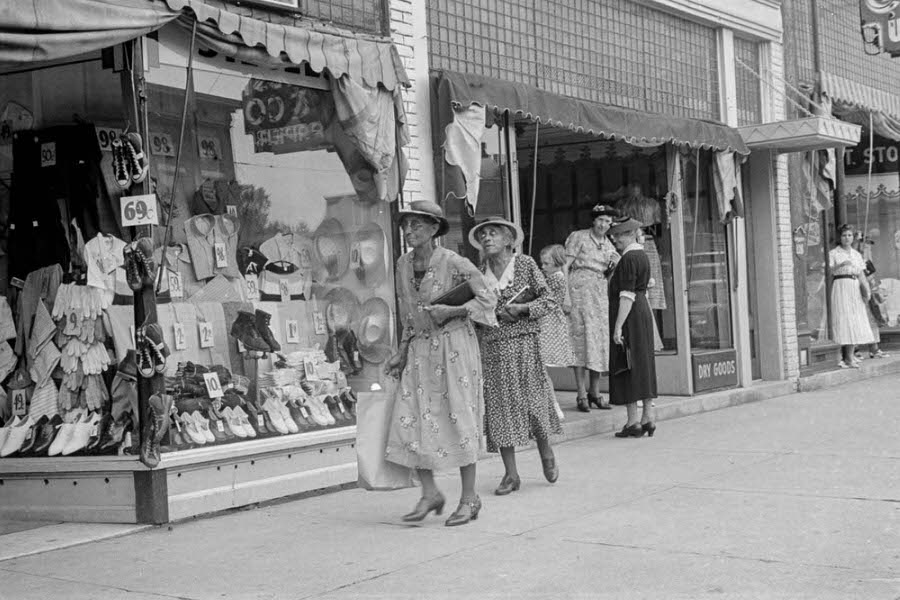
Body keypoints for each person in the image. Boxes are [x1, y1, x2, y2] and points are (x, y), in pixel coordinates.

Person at [384, 200, 497, 527]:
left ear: (434, 229)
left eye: (416, 226)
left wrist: (453, 311)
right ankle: (430, 493)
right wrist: (401, 351)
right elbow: (408, 312)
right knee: (409, 419)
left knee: (460, 418)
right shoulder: (402, 265)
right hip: (420, 351)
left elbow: (488, 298)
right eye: (406, 226)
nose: (409, 231)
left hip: (454, 348)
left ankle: (469, 498)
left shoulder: (455, 262)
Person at [470, 217, 562, 495]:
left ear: (509, 240)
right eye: (483, 234)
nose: (487, 238)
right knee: (499, 409)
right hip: (493, 346)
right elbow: (472, 310)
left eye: (493, 233)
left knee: (534, 402)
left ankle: (546, 452)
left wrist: (522, 310)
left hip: (525, 344)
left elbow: (548, 300)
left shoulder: (525, 265)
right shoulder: (478, 273)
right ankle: (511, 474)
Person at [564, 204, 620, 412]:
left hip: (598, 294)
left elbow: (609, 274)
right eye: (600, 220)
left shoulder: (609, 245)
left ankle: (595, 392)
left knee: (597, 341)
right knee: (580, 340)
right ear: (593, 220)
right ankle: (580, 394)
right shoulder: (579, 237)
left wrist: (615, 265)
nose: (603, 224)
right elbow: (565, 265)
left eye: (607, 221)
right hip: (579, 289)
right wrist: (565, 295)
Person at [606, 218, 658, 438]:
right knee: (643, 362)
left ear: (628, 235)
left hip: (630, 315)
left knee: (626, 364)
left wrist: (618, 326)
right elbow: (645, 286)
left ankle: (633, 421)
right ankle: (648, 417)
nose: (614, 239)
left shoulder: (628, 258)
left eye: (617, 235)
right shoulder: (642, 256)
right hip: (643, 312)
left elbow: (626, 295)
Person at [829, 224, 875, 369]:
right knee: (843, 318)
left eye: (849, 235)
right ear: (839, 237)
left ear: (853, 237)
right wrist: (841, 264)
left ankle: (851, 355)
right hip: (841, 285)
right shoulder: (834, 253)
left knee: (855, 318)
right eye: (844, 235)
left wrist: (867, 291)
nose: (847, 238)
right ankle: (844, 357)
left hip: (854, 287)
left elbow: (861, 274)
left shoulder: (856, 254)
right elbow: (829, 271)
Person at [538, 244, 576, 420]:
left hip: (548, 325)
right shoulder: (554, 277)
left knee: (540, 366)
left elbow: (542, 298)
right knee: (540, 367)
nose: (543, 267)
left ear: (557, 263)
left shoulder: (556, 278)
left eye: (546, 263)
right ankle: (550, 405)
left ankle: (553, 405)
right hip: (548, 324)